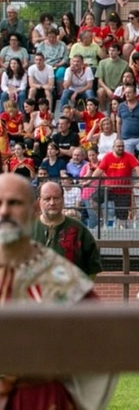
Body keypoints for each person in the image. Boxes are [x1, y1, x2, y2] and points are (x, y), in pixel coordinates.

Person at [0, 175, 117, 410]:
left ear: (33, 210)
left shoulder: (62, 278)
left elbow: (101, 343)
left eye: (14, 203)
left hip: (39, 399)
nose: (4, 212)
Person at [31, 181, 102, 278]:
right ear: (39, 201)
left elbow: (93, 267)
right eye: (47, 199)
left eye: (56, 198)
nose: (52, 203)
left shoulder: (79, 230)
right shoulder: (26, 230)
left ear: (63, 199)